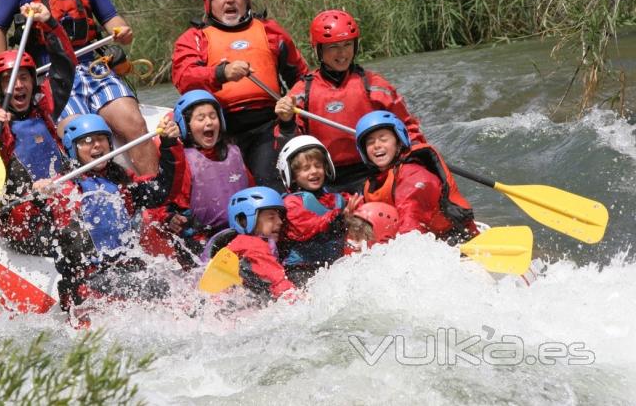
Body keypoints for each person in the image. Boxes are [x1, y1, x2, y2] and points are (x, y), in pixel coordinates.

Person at [0, 0, 157, 176]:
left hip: (94, 67)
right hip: (51, 78)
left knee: (133, 123)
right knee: (80, 136)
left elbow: (115, 23)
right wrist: (3, 77)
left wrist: (122, 32)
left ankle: (155, 196)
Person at [172, 0, 308, 192]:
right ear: (209, 3)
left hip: (267, 124)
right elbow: (184, 78)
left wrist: (291, 104)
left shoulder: (270, 32)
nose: (230, 0)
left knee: (269, 183)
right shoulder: (194, 39)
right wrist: (220, 73)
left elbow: (302, 78)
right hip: (219, 129)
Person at [275, 9, 425, 194]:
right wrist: (286, 121)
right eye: (333, 47)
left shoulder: (374, 85)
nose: (342, 53)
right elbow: (285, 147)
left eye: (347, 45)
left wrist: (419, 155)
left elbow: (408, 127)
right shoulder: (301, 93)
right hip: (325, 178)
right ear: (318, 50)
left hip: (373, 171)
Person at [0, 2, 76, 254]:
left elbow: (66, 65)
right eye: (10, 80)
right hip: (24, 220)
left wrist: (49, 23)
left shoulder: (46, 107)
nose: (18, 85)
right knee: (74, 238)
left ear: (33, 81)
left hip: (61, 203)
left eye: (24, 77)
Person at [49, 112, 184, 310]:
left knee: (168, 286)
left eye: (101, 139)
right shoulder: (63, 189)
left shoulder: (122, 183)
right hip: (87, 281)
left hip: (124, 270)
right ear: (73, 148)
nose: (96, 145)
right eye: (87, 141)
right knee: (155, 288)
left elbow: (162, 191)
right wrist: (39, 194)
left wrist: (169, 145)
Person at [140, 90, 254, 268]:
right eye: (200, 118)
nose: (209, 122)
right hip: (201, 239)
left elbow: (252, 191)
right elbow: (161, 201)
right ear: (186, 126)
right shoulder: (183, 161)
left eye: (212, 116)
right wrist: (169, 217)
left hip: (239, 231)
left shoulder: (233, 153)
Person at [355, 110, 478, 243]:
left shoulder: (413, 175)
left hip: (454, 241)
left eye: (383, 139)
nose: (377, 145)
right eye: (370, 142)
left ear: (399, 142)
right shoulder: (373, 182)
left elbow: (411, 221)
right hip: (415, 239)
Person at [275, 135, 361, 284]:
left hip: (334, 266)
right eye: (306, 168)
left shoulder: (338, 200)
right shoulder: (291, 203)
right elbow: (307, 227)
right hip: (300, 269)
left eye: (318, 165)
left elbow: (358, 209)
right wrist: (340, 217)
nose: (314, 171)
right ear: (292, 176)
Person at [202, 187, 296, 301]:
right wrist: (296, 299)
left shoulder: (238, 242)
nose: (280, 222)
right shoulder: (253, 244)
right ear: (244, 220)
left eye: (280, 217)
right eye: (271, 217)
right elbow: (278, 280)